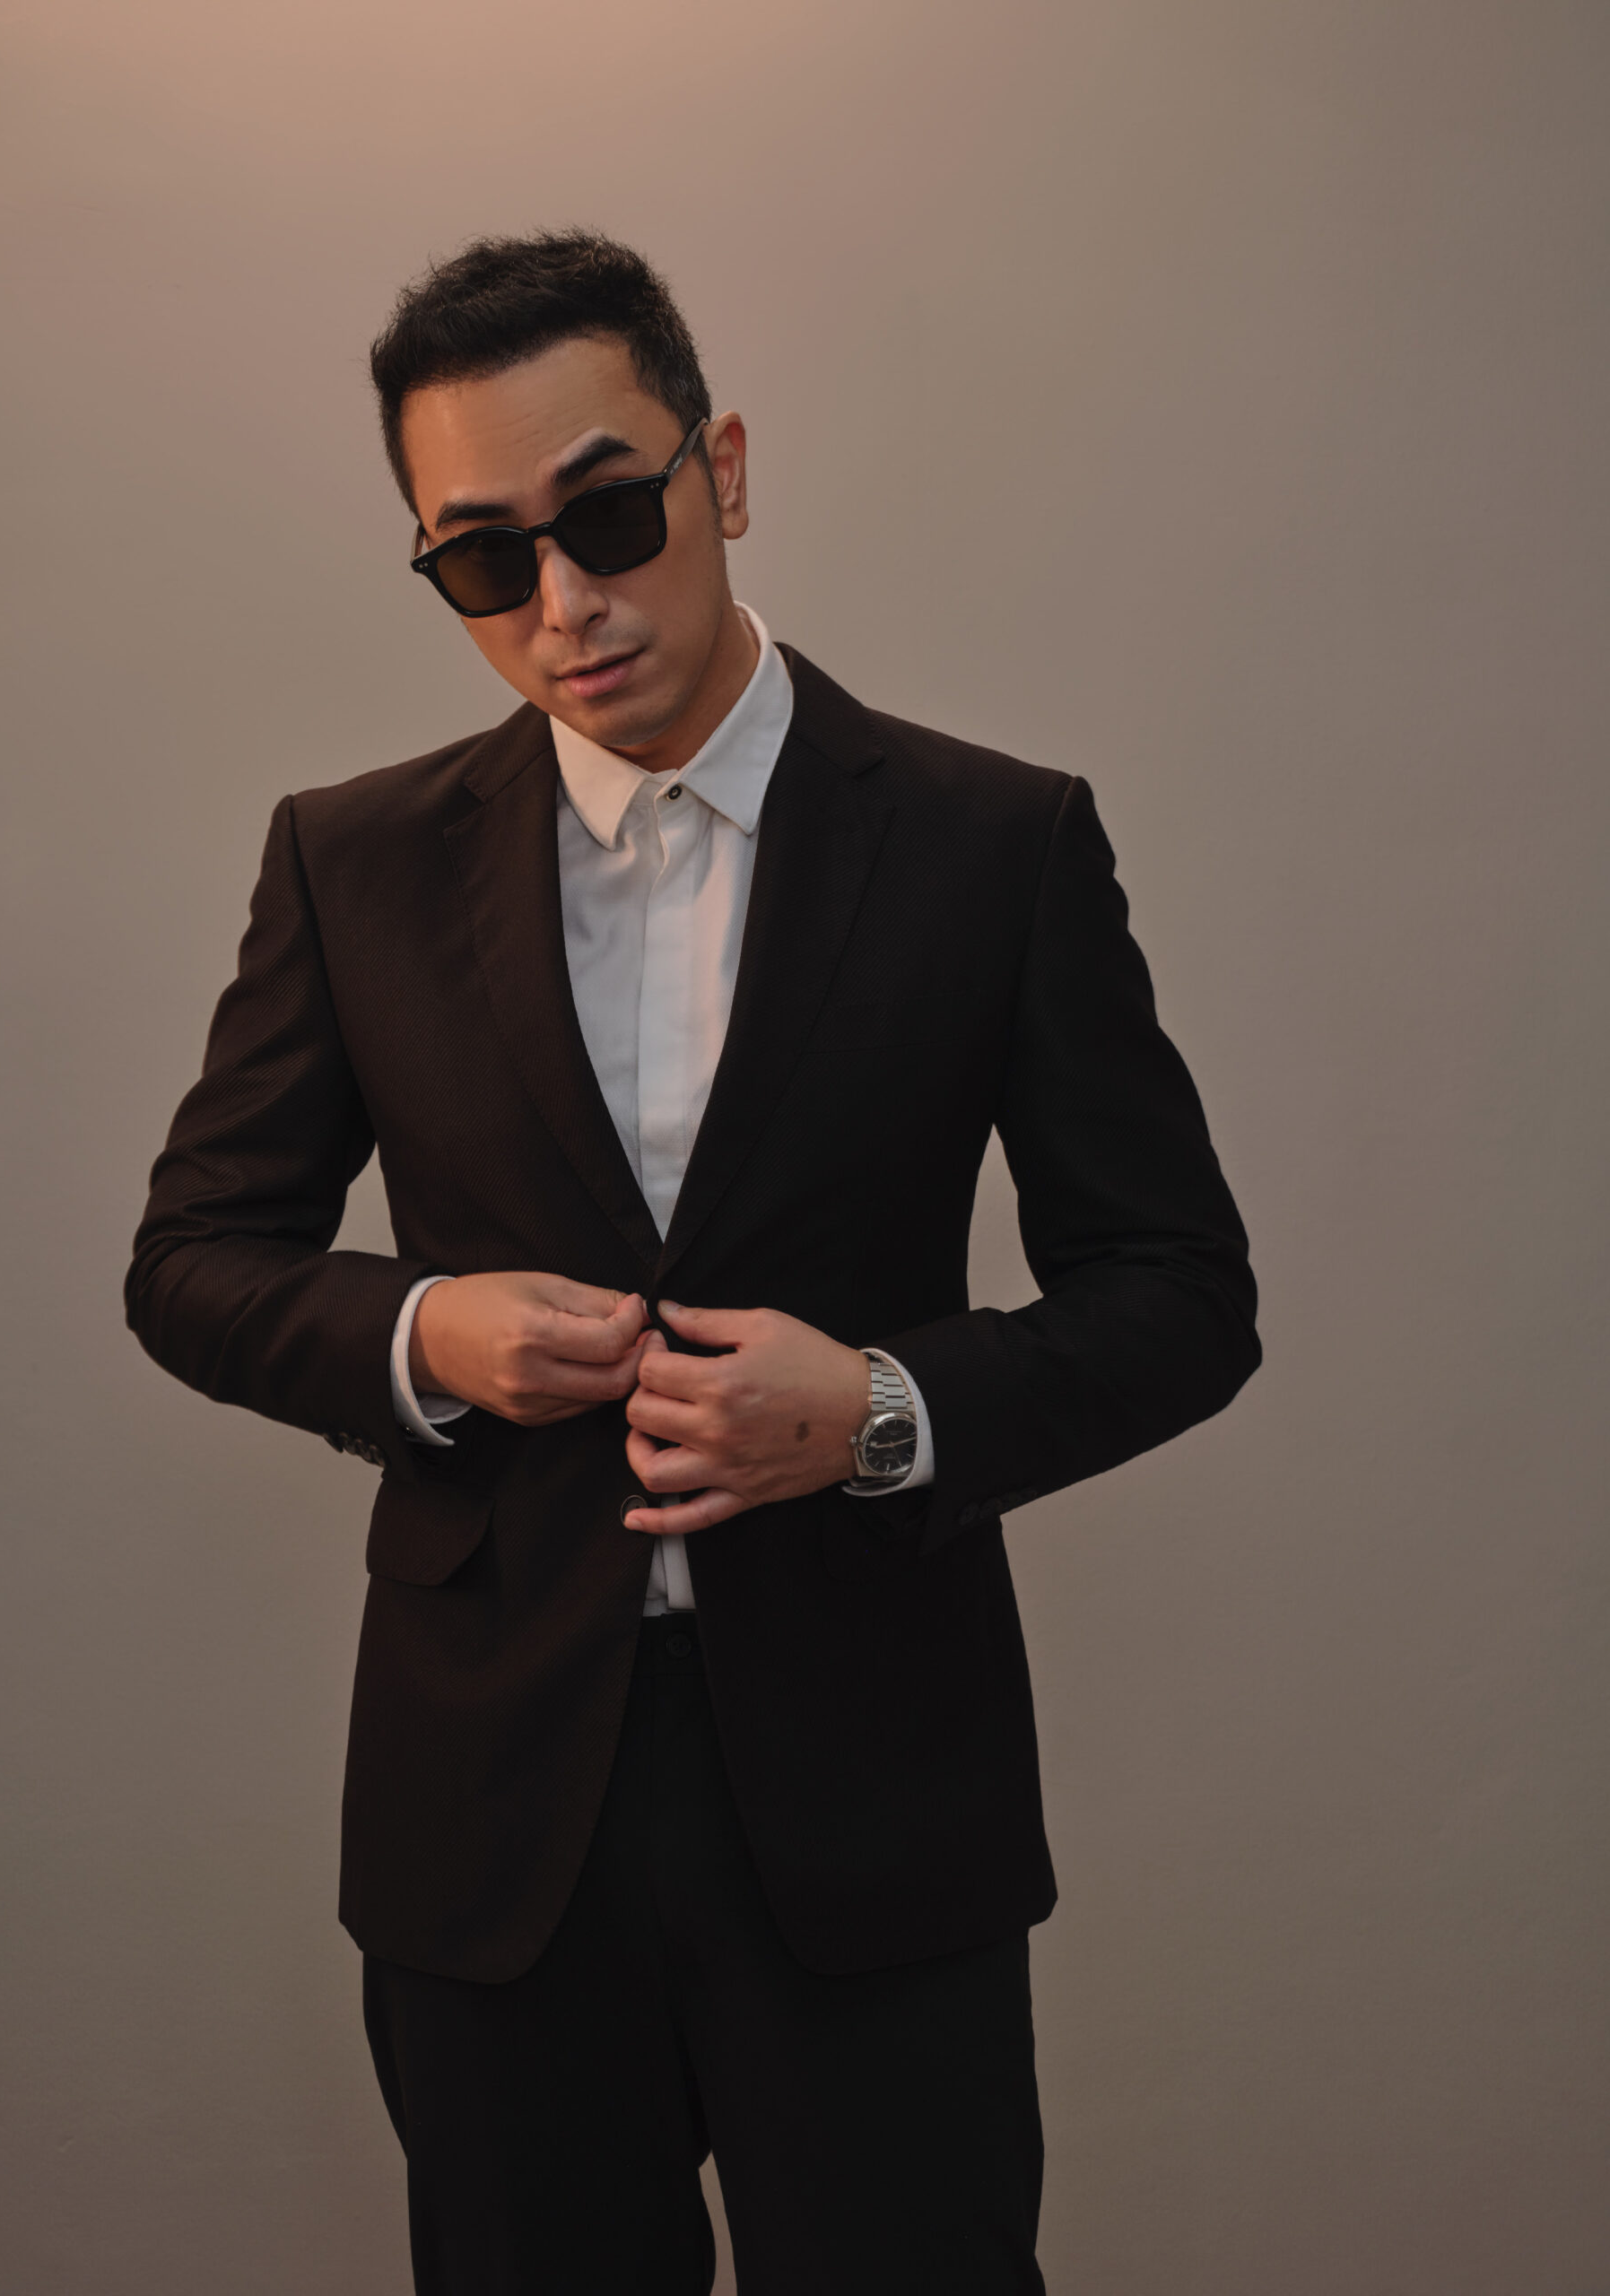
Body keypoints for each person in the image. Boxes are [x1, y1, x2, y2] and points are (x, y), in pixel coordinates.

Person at [126, 230, 1259, 2295]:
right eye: (481, 559)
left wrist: (885, 1411)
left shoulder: (994, 842)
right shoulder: (349, 860)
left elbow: (1179, 1289)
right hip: (491, 1813)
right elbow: (193, 1257)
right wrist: (425, 1330)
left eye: (605, 517)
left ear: (719, 466)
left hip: (872, 1791)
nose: (559, 604)